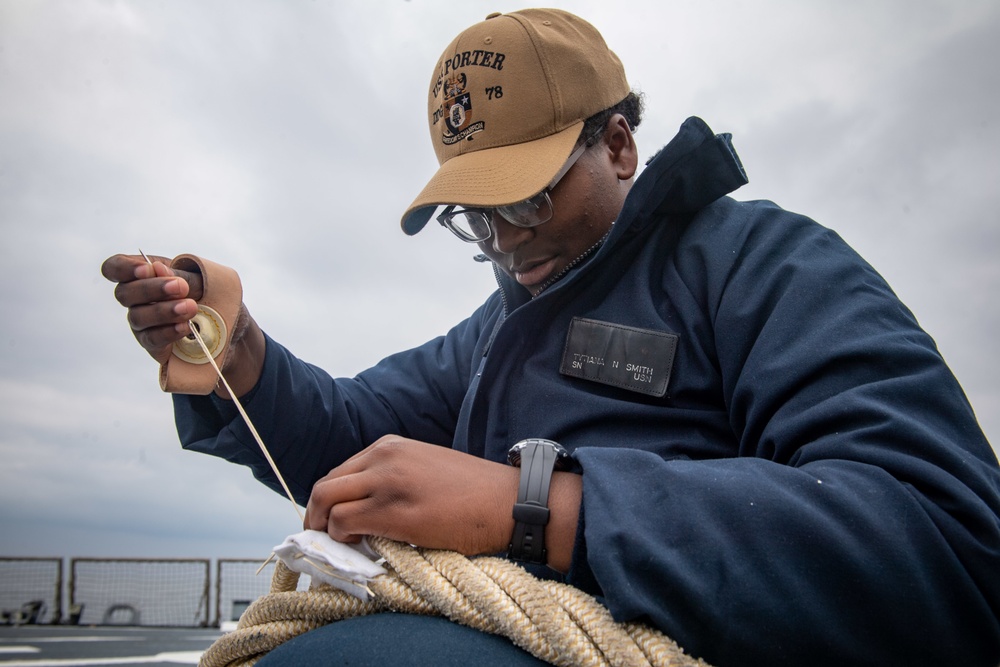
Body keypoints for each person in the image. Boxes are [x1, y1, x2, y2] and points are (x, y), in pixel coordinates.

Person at [102, 8, 1000, 667]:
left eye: (527, 197)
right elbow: (353, 439)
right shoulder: (496, 328)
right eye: (474, 216)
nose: (505, 241)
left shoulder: (766, 266)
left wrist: (537, 509)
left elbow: (947, 544)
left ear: (618, 145)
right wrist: (240, 357)